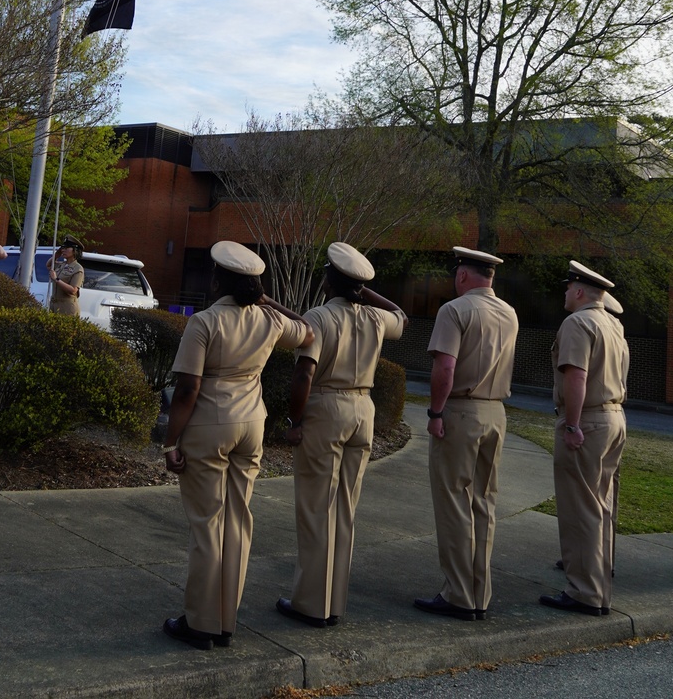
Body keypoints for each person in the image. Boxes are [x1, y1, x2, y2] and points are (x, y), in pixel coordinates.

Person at [162, 240, 313, 651]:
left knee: (207, 525)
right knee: (238, 522)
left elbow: (188, 387)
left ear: (218, 279)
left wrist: (170, 441)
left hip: (210, 425)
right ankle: (226, 621)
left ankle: (201, 623)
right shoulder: (269, 320)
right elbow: (309, 331)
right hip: (253, 424)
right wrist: (270, 301)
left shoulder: (204, 322)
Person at [276, 243, 407, 628]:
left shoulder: (319, 316)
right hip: (362, 409)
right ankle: (334, 603)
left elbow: (304, 373)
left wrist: (294, 420)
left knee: (317, 509)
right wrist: (364, 291)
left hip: (326, 408)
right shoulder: (376, 318)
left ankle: (310, 604)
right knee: (344, 510)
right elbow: (401, 316)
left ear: (329, 279)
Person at [414, 246, 518, 621]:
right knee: (484, 503)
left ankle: (458, 593)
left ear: (462, 275)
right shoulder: (509, 313)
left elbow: (445, 367)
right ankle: (479, 592)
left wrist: (435, 412)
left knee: (454, 502)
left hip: (461, 411)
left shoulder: (454, 310)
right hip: (496, 412)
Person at [540, 261, 629, 617]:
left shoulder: (578, 322)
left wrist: (572, 425)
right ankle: (599, 590)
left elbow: (576, 376)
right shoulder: (613, 323)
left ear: (579, 291)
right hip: (613, 417)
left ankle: (584, 592)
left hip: (587, 421)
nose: (565, 293)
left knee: (580, 509)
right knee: (601, 508)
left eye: (567, 287)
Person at [47, 237, 84, 316]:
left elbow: (73, 290)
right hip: (54, 306)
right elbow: (48, 265)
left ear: (75, 250)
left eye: (66, 248)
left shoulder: (78, 268)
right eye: (62, 248)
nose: (63, 250)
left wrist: (56, 279)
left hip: (67, 308)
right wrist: (56, 255)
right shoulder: (62, 265)